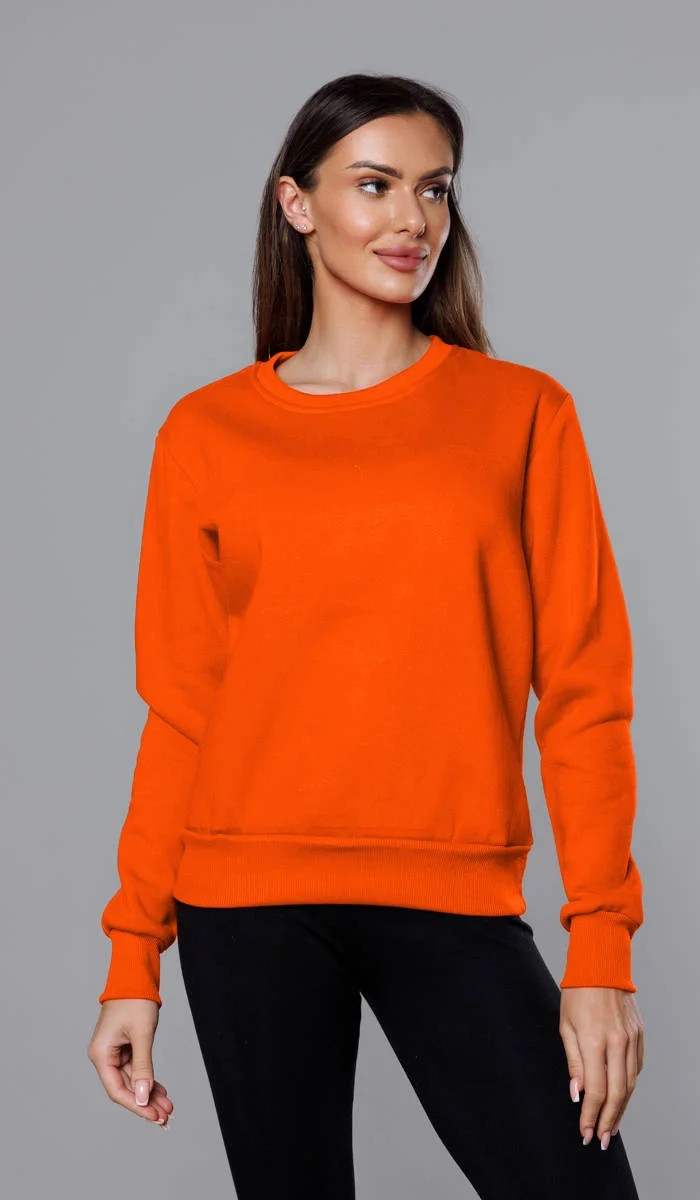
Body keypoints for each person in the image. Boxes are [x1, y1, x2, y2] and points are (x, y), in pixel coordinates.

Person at [87, 72, 645, 1199]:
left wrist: (600, 949)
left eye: (435, 189)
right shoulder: (207, 432)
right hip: (243, 903)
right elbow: (183, 709)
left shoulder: (521, 413)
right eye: (376, 185)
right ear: (296, 203)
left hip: (453, 894)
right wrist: (132, 958)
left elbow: (585, 691)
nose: (413, 219)